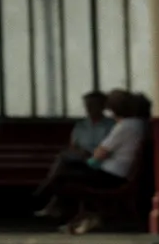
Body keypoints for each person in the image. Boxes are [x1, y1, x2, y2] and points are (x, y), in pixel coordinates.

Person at [48, 89, 151, 234]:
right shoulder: (140, 124)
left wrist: (90, 159)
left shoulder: (124, 126)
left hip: (111, 175)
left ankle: (67, 210)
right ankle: (62, 206)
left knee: (64, 173)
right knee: (66, 167)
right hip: (120, 172)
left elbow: (100, 153)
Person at [34, 89, 113, 218]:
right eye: (87, 105)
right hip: (80, 160)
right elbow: (73, 145)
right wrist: (79, 152)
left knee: (63, 168)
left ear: (102, 106)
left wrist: (91, 153)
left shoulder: (110, 125)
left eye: (93, 105)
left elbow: (110, 147)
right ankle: (51, 198)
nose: (89, 108)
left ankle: (47, 192)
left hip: (99, 163)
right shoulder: (81, 125)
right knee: (64, 161)